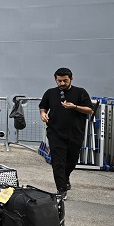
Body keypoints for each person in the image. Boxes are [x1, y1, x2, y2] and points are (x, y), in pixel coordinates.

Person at [39, 68, 93, 200]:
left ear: (71, 79)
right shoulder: (50, 93)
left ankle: (65, 177)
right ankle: (61, 189)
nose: (62, 83)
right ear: (55, 80)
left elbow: (90, 110)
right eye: (59, 81)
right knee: (58, 162)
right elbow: (43, 106)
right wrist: (43, 114)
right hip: (55, 132)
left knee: (72, 161)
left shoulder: (80, 92)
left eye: (65, 81)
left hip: (75, 133)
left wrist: (74, 107)